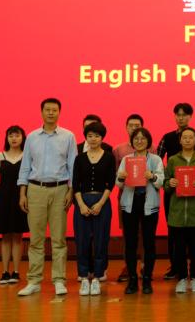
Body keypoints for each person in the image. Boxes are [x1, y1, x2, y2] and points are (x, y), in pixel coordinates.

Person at [17, 98, 77, 296]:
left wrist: (70, 191)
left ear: (59, 112)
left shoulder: (68, 136)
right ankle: (34, 280)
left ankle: (59, 280)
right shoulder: (32, 137)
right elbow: (25, 166)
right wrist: (22, 192)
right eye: (47, 110)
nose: (51, 113)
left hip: (60, 190)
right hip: (35, 190)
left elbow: (73, 166)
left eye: (54, 110)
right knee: (36, 239)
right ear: (41, 112)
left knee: (59, 239)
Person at [156, 103, 195, 280]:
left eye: (185, 115)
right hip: (174, 195)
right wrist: (168, 180)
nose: (181, 118)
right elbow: (157, 159)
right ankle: (176, 268)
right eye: (178, 115)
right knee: (174, 233)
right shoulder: (167, 139)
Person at [163, 127, 195, 293]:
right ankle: (183, 278)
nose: (187, 140)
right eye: (184, 137)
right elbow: (165, 183)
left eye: (191, 137)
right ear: (180, 140)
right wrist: (170, 183)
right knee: (179, 248)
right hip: (177, 212)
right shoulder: (173, 160)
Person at [116, 127, 164, 295]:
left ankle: (147, 279)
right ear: (132, 142)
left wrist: (153, 177)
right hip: (130, 204)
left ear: (148, 141)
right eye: (136, 138)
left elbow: (161, 182)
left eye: (143, 138)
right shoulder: (126, 159)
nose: (139, 141)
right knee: (130, 243)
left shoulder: (156, 159)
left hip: (149, 204)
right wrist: (121, 177)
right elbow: (118, 183)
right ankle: (132, 279)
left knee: (149, 243)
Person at [72, 121, 115, 296]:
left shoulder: (109, 157)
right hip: (82, 201)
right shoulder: (79, 158)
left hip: (101, 202)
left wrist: (100, 203)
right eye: (90, 136)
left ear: (102, 138)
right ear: (86, 138)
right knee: (82, 241)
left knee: (100, 240)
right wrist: (81, 205)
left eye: (97, 136)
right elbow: (75, 184)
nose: (93, 139)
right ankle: (84, 277)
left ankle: (97, 277)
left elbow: (110, 183)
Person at [0, 125, 28, 285]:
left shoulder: (27, 156)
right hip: (3, 199)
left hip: (21, 198)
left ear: (22, 138)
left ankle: (16, 272)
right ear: (7, 138)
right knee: (5, 236)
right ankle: (4, 272)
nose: (14, 138)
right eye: (11, 136)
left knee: (18, 236)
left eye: (17, 135)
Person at [113, 113, 150, 282]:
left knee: (144, 233)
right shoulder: (119, 150)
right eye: (131, 125)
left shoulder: (152, 149)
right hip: (126, 197)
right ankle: (129, 266)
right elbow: (115, 175)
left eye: (137, 126)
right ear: (126, 128)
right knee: (128, 234)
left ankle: (144, 265)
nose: (134, 128)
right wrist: (121, 176)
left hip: (146, 197)